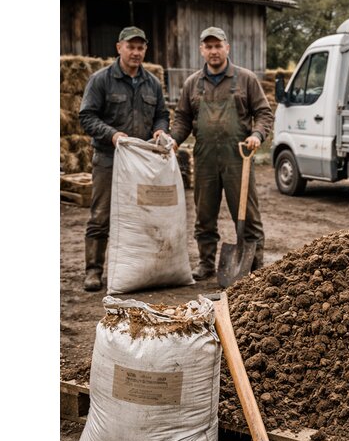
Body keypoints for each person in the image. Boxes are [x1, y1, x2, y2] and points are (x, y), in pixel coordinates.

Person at [172, 27, 274, 280]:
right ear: (202, 50)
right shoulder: (192, 83)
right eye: (209, 46)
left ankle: (254, 262)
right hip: (205, 158)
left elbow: (264, 113)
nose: (214, 51)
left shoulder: (246, 79)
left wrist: (257, 135)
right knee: (204, 215)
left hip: (239, 158)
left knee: (248, 215)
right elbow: (183, 119)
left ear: (227, 48)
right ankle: (206, 263)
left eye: (218, 46)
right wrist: (173, 140)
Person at [78, 26, 170, 291]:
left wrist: (160, 128)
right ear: (119, 48)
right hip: (109, 159)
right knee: (101, 215)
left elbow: (162, 114)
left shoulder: (152, 82)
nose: (136, 52)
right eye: (131, 47)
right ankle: (93, 271)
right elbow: (87, 116)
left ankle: (139, 270)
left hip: (141, 162)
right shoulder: (101, 79)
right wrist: (113, 135)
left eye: (141, 47)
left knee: (141, 216)